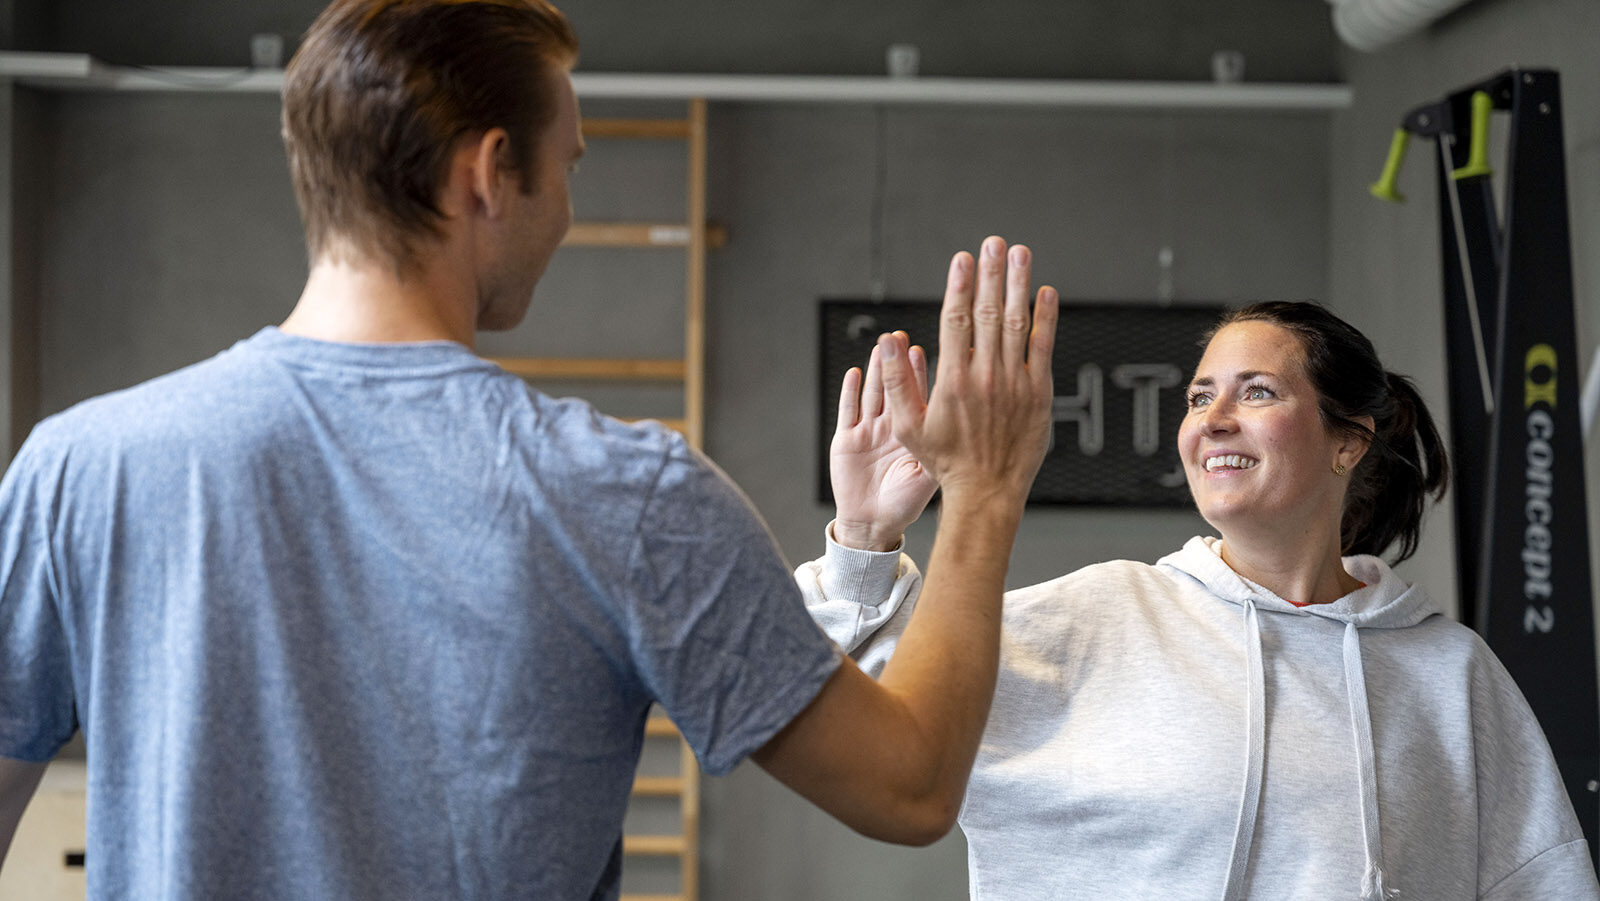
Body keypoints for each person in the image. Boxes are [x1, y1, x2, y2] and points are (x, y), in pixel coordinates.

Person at [0, 1, 1062, 897]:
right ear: (488, 171)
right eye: (567, 166)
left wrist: (868, 540)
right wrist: (984, 487)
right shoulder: (625, 495)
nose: (564, 208)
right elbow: (910, 785)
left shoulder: (78, 468)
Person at [802, 300, 1600, 899]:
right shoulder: (1106, 616)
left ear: (1348, 440)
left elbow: (1543, 882)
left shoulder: (1449, 672)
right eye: (1197, 398)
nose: (1212, 420)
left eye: (1255, 392)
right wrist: (865, 534)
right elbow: (862, 695)